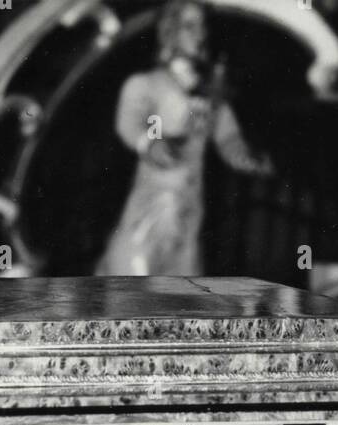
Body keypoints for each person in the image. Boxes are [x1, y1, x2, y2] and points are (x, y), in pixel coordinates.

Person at [97, 0, 272, 276]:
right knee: (133, 275)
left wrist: (244, 156)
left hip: (190, 212)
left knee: (182, 284)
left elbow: (227, 137)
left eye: (203, 25)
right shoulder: (148, 84)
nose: (200, 33)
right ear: (171, 31)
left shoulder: (211, 96)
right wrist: (151, 142)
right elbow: (131, 122)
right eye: (190, 25)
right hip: (153, 205)